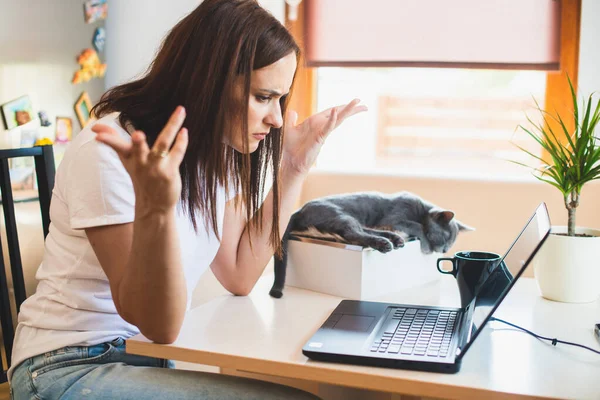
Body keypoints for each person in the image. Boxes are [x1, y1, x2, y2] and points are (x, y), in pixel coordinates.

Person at [10, 0, 366, 398]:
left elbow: (238, 273)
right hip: (67, 366)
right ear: (210, 81)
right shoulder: (110, 152)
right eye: (263, 97)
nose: (277, 119)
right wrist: (156, 209)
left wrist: (293, 168)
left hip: (144, 357)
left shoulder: (214, 154)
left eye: (280, 100)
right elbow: (159, 324)